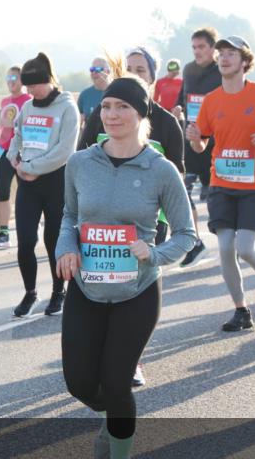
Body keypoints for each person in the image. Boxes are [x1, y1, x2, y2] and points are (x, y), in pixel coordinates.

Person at [57, 76, 196, 459]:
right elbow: (68, 216)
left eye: (122, 107)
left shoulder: (161, 170)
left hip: (137, 292)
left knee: (117, 380)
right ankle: (114, 416)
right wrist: (68, 248)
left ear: (141, 115)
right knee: (79, 382)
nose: (112, 115)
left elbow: (187, 236)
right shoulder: (80, 163)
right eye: (106, 106)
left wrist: (151, 254)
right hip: (86, 287)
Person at [78, 48, 184, 390]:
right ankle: (108, 361)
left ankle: (130, 358)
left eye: (142, 70)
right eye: (130, 69)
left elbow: (176, 178)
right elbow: (83, 160)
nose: (135, 74)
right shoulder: (102, 116)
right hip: (101, 221)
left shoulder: (166, 124)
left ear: (152, 77)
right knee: (105, 283)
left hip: (147, 219)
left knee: (133, 286)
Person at [185, 36, 255, 332]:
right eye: (221, 54)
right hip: (222, 183)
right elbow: (201, 146)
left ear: (244, 62)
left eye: (231, 54)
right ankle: (241, 310)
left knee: (245, 248)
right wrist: (194, 139)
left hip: (254, 185)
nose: (224, 58)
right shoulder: (211, 100)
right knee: (226, 247)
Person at [9, 52, 80, 317]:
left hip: (55, 182)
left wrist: (31, 168)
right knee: (26, 241)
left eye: (33, 86)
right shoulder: (27, 107)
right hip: (27, 183)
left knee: (53, 240)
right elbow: (17, 136)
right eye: (26, 87)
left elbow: (64, 151)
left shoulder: (66, 107)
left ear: (47, 81)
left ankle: (58, 291)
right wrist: (14, 158)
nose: (29, 91)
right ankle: (30, 293)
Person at [172, 27, 223, 267]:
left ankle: (228, 241)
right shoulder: (189, 70)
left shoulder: (222, 71)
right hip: (191, 138)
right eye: (194, 47)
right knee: (183, 191)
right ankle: (195, 243)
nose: (197, 52)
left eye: (202, 47)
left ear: (213, 48)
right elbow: (184, 97)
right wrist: (179, 109)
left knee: (217, 198)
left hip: (217, 142)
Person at [0, 66, 32, 248]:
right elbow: (3, 125)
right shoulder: (5, 101)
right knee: (2, 192)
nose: (11, 80)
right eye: (8, 77)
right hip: (2, 152)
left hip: (21, 152)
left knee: (26, 192)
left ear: (22, 80)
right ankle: (4, 233)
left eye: (15, 77)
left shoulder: (29, 100)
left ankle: (30, 226)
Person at [77, 58, 110, 127]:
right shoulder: (84, 95)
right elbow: (78, 123)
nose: (94, 73)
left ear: (108, 72)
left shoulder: (116, 93)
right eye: (92, 69)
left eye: (98, 69)